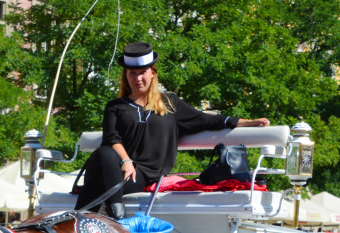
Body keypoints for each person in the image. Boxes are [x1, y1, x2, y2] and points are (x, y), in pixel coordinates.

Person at [75, 41, 269, 219]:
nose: (138, 78)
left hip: (145, 173)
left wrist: (247, 122)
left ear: (152, 73)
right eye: (132, 73)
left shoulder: (169, 103)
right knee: (103, 153)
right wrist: (126, 161)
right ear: (126, 76)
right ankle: (115, 209)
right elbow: (111, 138)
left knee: (96, 185)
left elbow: (206, 120)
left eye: (142, 72)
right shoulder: (115, 106)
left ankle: (78, 222)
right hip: (118, 167)